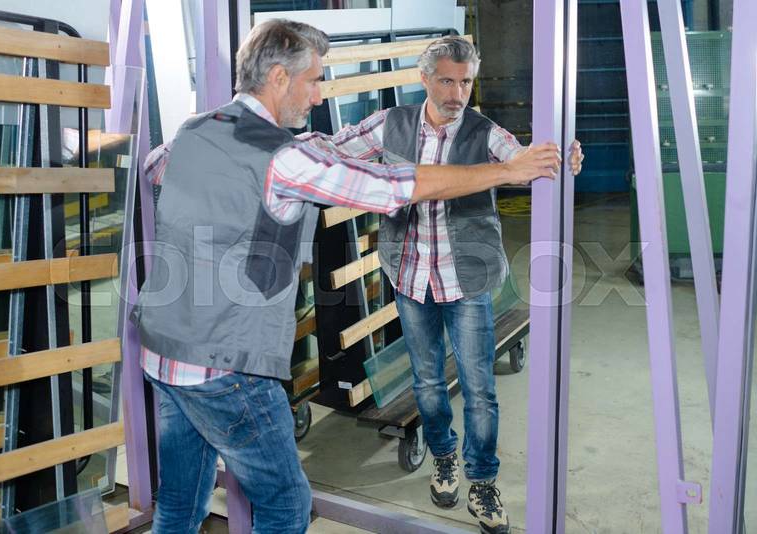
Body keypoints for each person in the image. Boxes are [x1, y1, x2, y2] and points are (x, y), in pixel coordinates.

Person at [131, 21, 562, 534]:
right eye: (313, 80)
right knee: (286, 506)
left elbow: (155, 167)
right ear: (278, 77)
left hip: (163, 351)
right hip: (226, 367)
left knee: (180, 503)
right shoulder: (286, 158)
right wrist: (507, 172)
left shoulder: (197, 130)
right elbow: (394, 186)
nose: (318, 95)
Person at [305, 35, 583, 534]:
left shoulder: (483, 130)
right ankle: (444, 456)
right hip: (410, 276)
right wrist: (274, 141)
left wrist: (559, 162)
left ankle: (482, 479)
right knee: (428, 383)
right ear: (425, 78)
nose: (457, 94)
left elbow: (523, 163)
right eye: (447, 81)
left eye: (466, 82)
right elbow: (331, 147)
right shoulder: (391, 124)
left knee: (479, 389)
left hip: (466, 279)